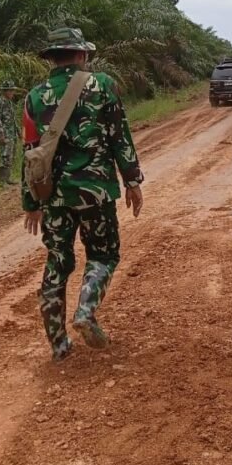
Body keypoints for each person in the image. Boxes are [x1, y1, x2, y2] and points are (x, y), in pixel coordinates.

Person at [21, 27, 144, 362]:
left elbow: (31, 153)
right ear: (80, 55)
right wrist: (132, 180)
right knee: (103, 256)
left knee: (57, 262)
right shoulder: (103, 86)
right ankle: (86, 312)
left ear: (53, 57)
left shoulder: (34, 96)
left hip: (55, 197)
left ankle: (59, 345)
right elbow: (120, 136)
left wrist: (31, 203)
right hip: (96, 192)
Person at [0, 81, 21, 186]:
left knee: (10, 156)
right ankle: (2, 181)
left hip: (12, 133)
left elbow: (13, 120)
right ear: (5, 91)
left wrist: (19, 132)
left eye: (13, 90)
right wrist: (0, 134)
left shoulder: (9, 102)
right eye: (11, 90)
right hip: (4, 134)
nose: (13, 92)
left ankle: (8, 178)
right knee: (4, 155)